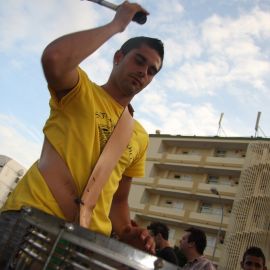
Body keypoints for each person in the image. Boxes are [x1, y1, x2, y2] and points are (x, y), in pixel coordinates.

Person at [0, 1, 164, 267]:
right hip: (30, 219)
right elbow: (54, 58)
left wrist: (128, 234)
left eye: (152, 71)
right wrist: (116, 25)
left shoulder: (140, 136)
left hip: (84, 247)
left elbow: (119, 200)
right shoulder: (80, 90)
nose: (143, 72)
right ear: (119, 57)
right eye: (139, 60)